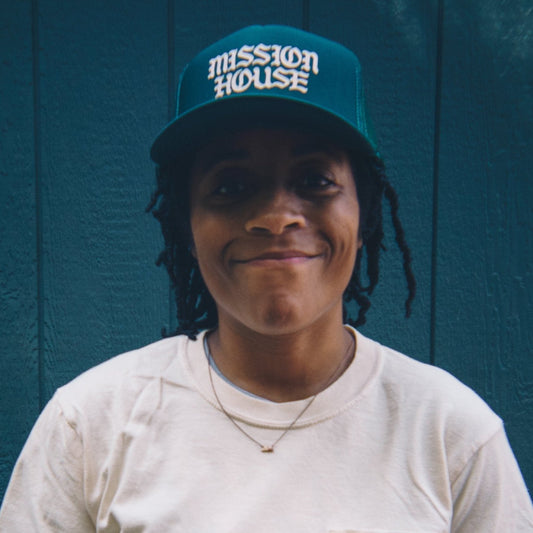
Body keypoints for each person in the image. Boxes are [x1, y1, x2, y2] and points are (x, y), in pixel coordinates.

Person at [0, 24, 531, 532]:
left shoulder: (451, 434)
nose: (276, 217)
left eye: (315, 179)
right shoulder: (90, 426)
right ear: (187, 224)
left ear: (365, 214)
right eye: (231, 186)